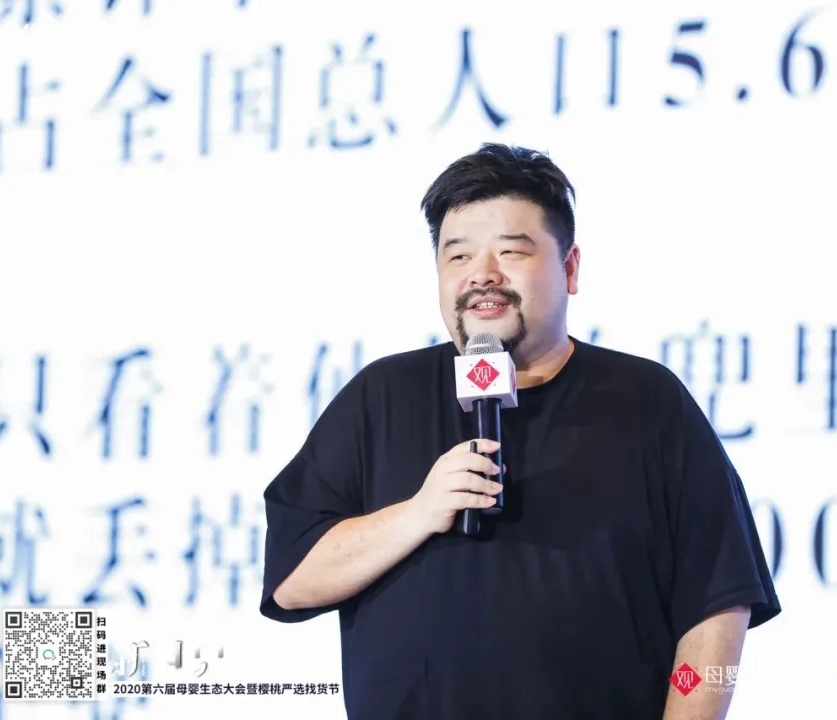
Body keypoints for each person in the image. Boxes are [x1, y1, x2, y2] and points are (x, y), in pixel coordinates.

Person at [259, 142, 781, 719]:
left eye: (510, 251)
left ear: (570, 268)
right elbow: (291, 580)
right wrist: (417, 514)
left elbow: (718, 604)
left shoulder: (648, 400)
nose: (482, 275)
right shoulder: (381, 395)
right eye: (458, 256)